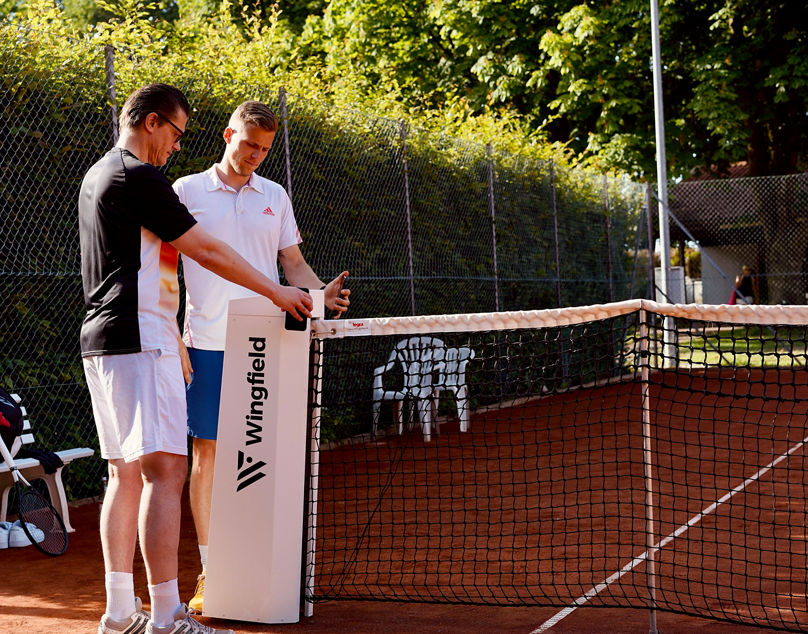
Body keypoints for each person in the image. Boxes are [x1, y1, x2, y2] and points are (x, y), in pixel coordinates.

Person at [80, 84, 315, 634]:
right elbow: (203, 249)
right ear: (153, 121)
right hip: (145, 337)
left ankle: (120, 610)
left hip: (103, 339)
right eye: (176, 134)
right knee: (168, 471)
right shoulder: (143, 178)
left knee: (125, 473)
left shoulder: (98, 174)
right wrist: (276, 291)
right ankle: (166, 615)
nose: (177, 147)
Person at [172, 100, 350, 614]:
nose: (256, 155)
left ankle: (259, 563)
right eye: (249, 144)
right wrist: (172, 332)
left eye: (265, 149)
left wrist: (321, 296)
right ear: (228, 135)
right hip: (206, 344)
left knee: (263, 456)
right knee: (206, 455)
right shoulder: (185, 191)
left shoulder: (275, 195)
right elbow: (161, 265)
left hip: (271, 346)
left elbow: (291, 264)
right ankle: (212, 568)